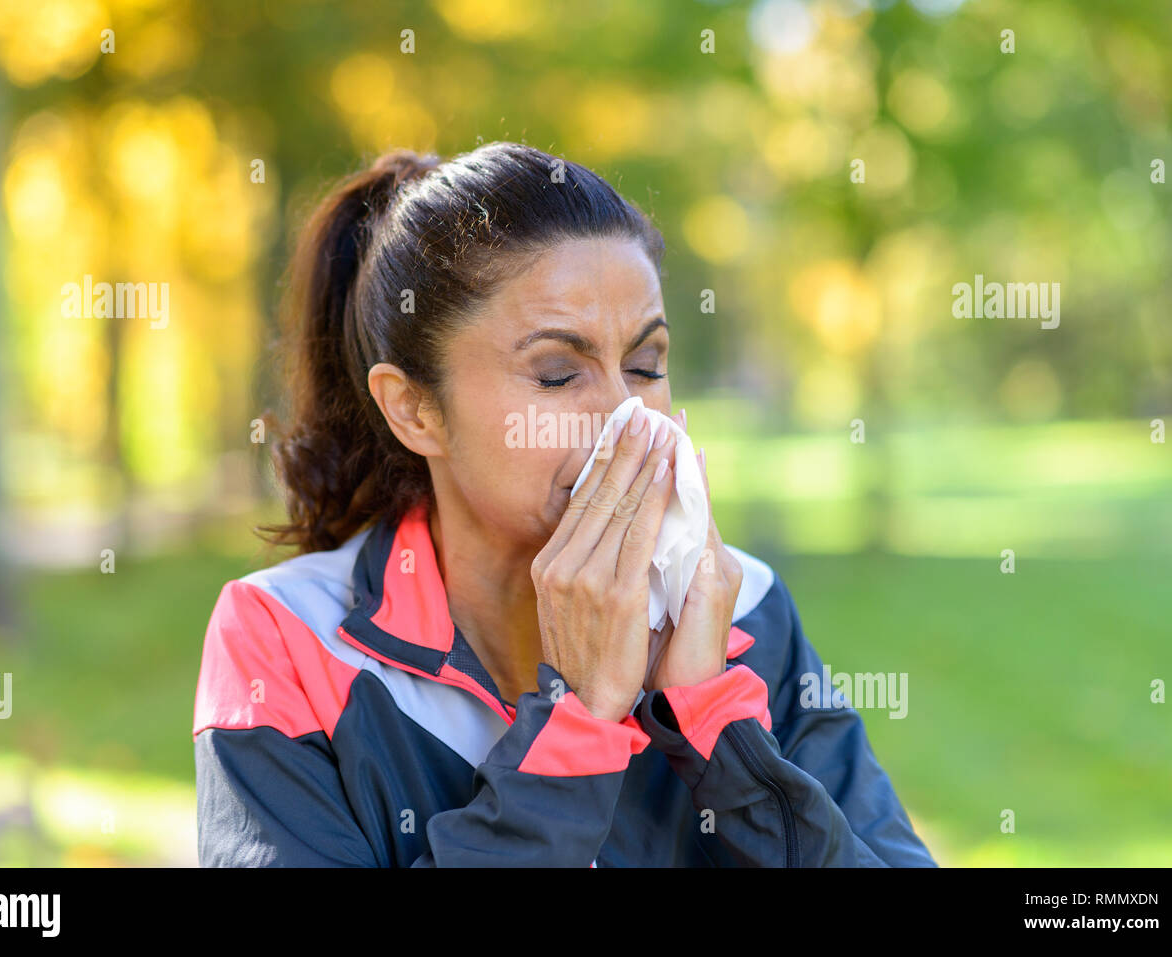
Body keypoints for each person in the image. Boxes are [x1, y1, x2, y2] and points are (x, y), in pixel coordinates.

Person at [192, 141, 937, 867]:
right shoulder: (285, 640)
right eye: (556, 374)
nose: (625, 417)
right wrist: (577, 726)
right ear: (415, 409)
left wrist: (715, 724)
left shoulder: (745, 610)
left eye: (646, 364)